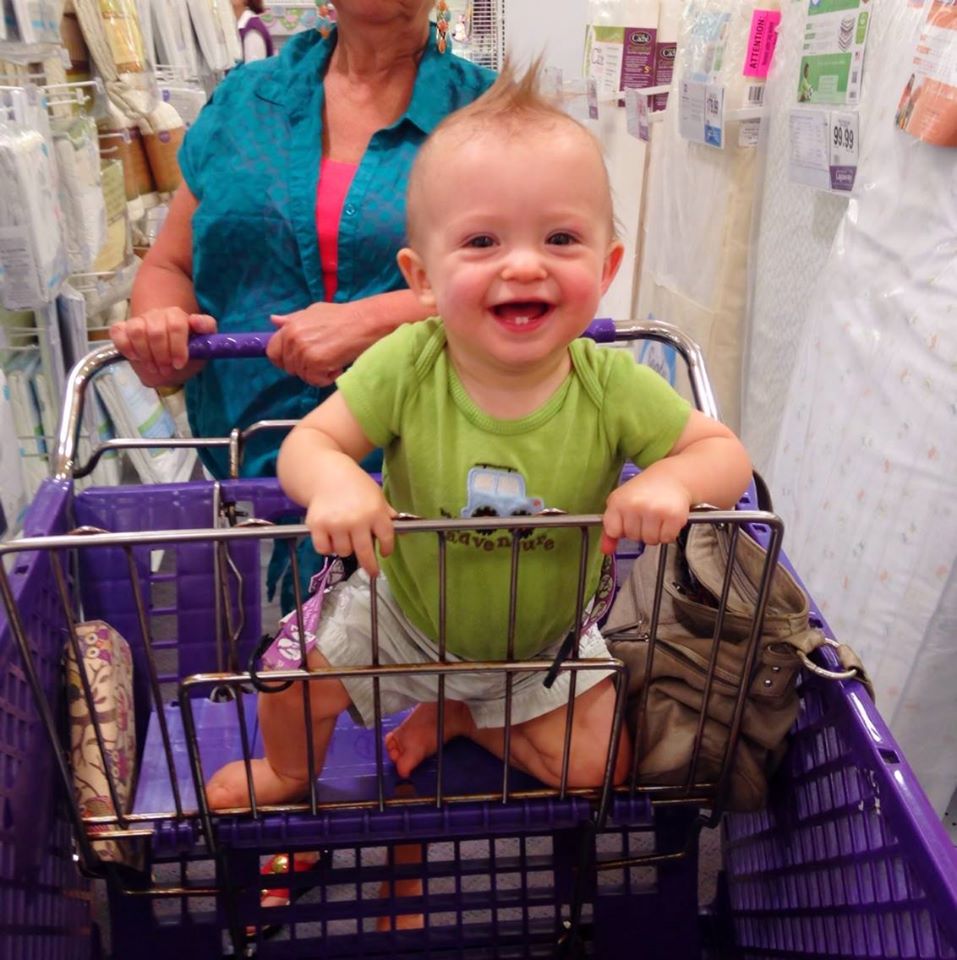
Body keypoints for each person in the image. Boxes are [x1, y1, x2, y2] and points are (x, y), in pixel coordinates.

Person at [204, 62, 753, 813]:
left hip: (544, 641)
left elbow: (721, 453)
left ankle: (462, 714)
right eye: (482, 241)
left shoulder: (610, 383)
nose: (522, 263)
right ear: (421, 277)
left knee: (600, 769)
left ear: (606, 266)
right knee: (288, 685)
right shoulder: (408, 359)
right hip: (400, 613)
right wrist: (338, 481)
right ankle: (288, 776)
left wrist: (672, 480)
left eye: (560, 238)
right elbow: (310, 442)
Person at [108, 1, 495, 920]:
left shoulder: (483, 115)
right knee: (296, 645)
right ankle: (306, 821)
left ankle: (405, 858)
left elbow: (524, 274)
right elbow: (169, 262)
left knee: (417, 644)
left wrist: (373, 320)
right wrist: (159, 313)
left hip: (423, 443)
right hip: (255, 451)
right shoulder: (243, 102)